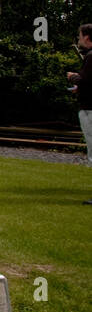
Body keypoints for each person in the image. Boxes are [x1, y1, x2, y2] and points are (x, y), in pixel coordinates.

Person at [67, 23, 92, 203]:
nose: (79, 39)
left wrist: (72, 77)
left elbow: (84, 79)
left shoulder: (91, 57)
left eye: (80, 36)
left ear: (88, 38)